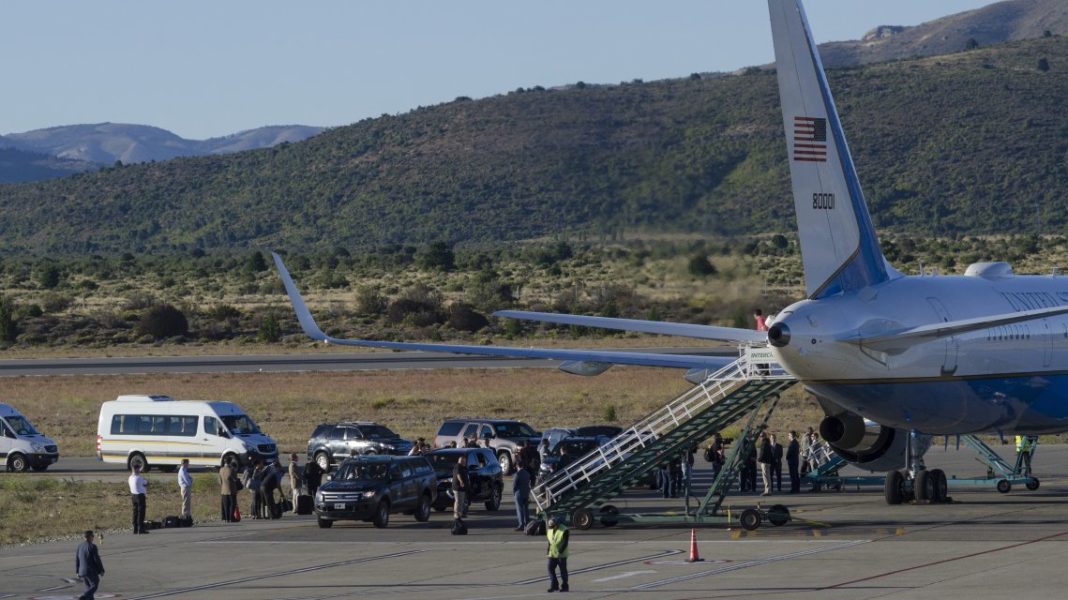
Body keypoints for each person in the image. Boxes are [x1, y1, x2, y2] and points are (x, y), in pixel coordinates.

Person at [75, 530, 105, 600]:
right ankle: (83, 597)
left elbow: (77, 559)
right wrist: (101, 570)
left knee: (88, 587)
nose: (93, 537)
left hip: (82, 571)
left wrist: (77, 571)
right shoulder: (92, 546)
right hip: (90, 571)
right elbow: (97, 559)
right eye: (92, 536)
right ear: (89, 537)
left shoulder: (80, 546)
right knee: (95, 584)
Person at [545, 517, 570, 593]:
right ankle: (554, 585)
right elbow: (550, 541)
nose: (551, 528)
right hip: (552, 553)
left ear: (557, 525)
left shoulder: (564, 530)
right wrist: (548, 550)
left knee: (563, 571)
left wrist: (560, 551)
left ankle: (565, 586)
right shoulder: (550, 529)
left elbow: (565, 542)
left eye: (553, 526)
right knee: (550, 568)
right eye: (550, 527)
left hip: (561, 555)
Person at [513, 459, 532, 531]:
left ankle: (521, 525)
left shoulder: (517, 474)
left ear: (517, 466)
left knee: (519, 509)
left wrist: (514, 494)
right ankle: (527, 523)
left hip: (519, 494)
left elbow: (514, 486)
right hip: (526, 493)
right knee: (526, 509)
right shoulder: (527, 473)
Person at [129, 464, 148, 534]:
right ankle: (141, 528)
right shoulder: (139, 478)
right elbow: (146, 483)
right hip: (140, 496)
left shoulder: (130, 477)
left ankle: (135, 528)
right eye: (139, 469)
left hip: (133, 496)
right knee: (141, 513)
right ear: (136, 469)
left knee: (135, 512)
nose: (140, 470)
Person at [452, 453, 470, 521]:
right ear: (459, 460)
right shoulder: (458, 466)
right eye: (462, 460)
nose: (463, 461)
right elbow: (458, 474)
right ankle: (456, 514)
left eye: (464, 460)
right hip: (457, 487)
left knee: (461, 501)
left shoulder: (464, 467)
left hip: (462, 487)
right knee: (458, 501)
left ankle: (460, 514)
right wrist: (461, 481)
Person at [756, 431, 773, 496]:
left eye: (762, 436)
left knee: (766, 476)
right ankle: (768, 490)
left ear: (765, 436)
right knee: (767, 476)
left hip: (765, 462)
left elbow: (763, 453)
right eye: (760, 436)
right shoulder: (767, 442)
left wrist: (759, 459)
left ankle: (767, 490)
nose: (761, 437)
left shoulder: (764, 443)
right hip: (767, 461)